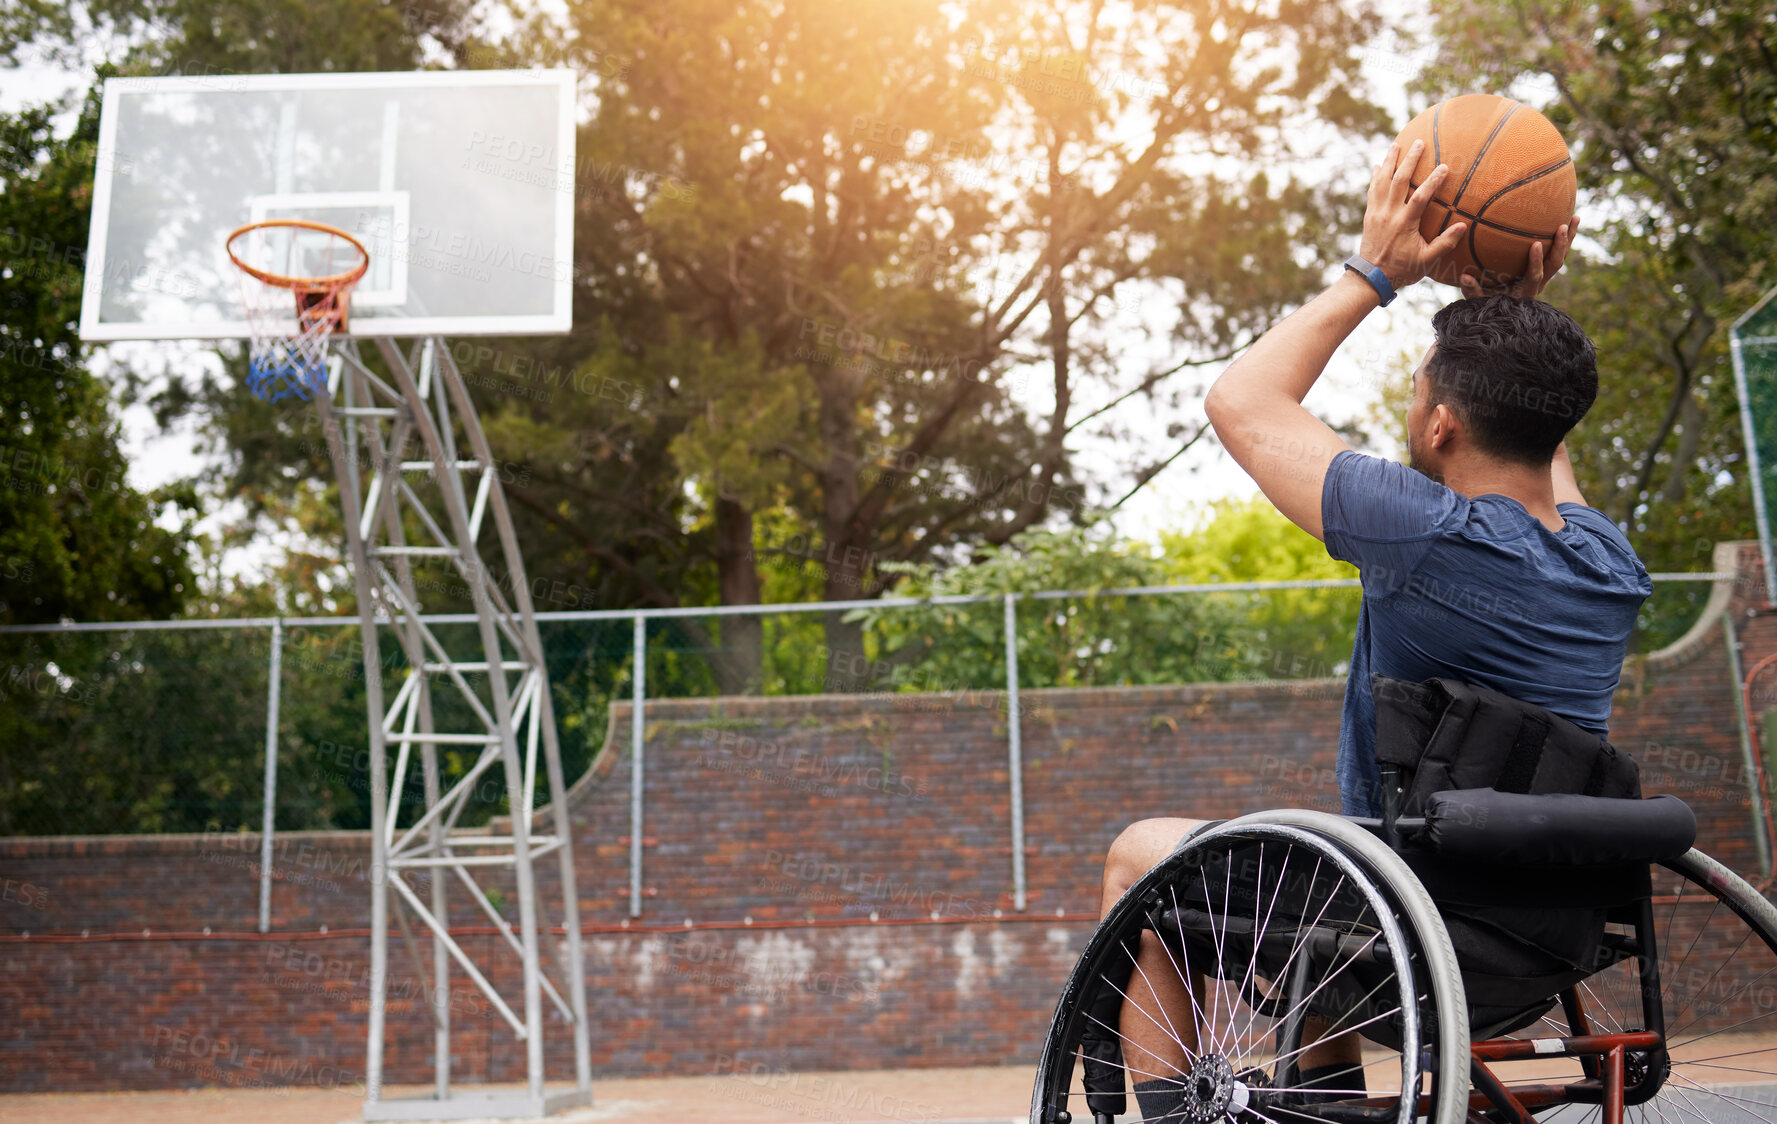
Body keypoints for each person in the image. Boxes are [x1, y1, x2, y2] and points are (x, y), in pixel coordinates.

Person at [1100, 138, 1654, 1118]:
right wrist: (1517, 318)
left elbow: (1239, 399)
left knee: (1141, 849)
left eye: (1418, 390)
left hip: (1410, 925)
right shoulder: (1608, 562)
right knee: (1335, 852)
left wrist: (1378, 270)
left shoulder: (1423, 531)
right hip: (1543, 941)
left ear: (1439, 426)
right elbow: (1538, 441)